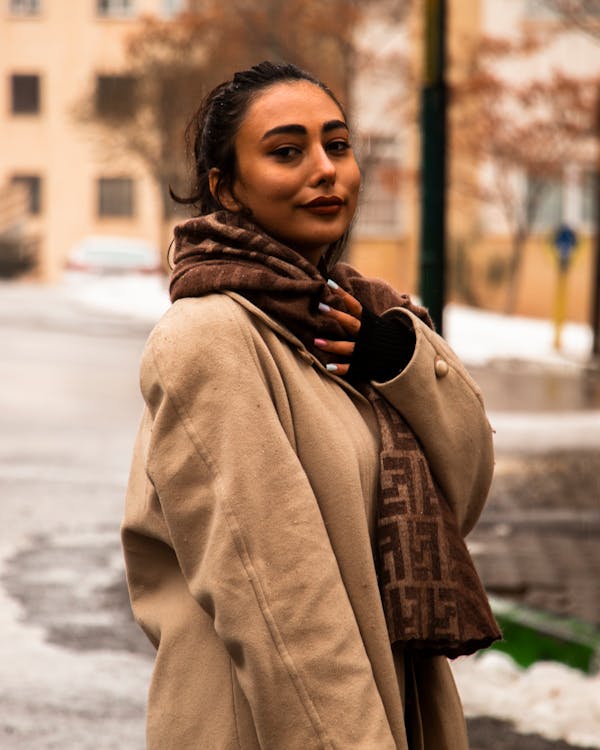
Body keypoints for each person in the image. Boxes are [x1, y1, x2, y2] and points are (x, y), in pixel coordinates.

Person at [122, 60, 500, 750]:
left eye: (338, 144)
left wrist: (397, 364)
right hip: (274, 728)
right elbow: (276, 600)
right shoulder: (210, 339)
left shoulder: (353, 326)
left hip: (390, 706)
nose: (325, 169)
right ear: (225, 188)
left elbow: (462, 496)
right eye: (286, 152)